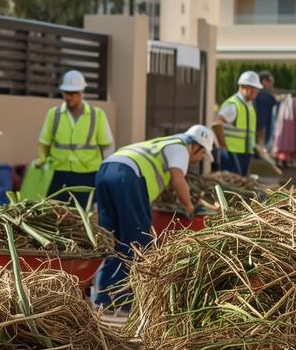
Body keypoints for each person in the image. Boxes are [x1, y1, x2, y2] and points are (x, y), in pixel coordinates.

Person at [92, 125, 215, 311]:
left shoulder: (162, 144)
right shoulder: (181, 147)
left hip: (106, 170)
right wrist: (190, 207)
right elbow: (178, 180)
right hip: (128, 176)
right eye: (202, 156)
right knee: (138, 239)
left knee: (112, 238)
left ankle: (103, 295)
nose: (198, 160)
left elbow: (167, 181)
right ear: (197, 146)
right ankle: (126, 299)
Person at [36, 69, 113, 205]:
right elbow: (44, 144)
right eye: (66, 93)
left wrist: (106, 173)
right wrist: (42, 161)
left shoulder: (97, 115)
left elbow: (107, 147)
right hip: (59, 174)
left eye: (73, 93)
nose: (69, 97)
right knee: (56, 216)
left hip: (88, 175)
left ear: (82, 92)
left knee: (85, 216)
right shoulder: (53, 114)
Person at [215, 71, 260, 175]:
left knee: (241, 183)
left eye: (257, 89)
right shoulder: (234, 105)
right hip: (232, 153)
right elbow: (217, 124)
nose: (256, 91)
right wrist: (223, 147)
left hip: (245, 152)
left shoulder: (249, 105)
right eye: (253, 88)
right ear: (244, 87)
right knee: (231, 184)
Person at [253, 70, 279, 153]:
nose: (272, 85)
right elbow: (261, 124)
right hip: (260, 136)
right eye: (270, 82)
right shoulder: (265, 97)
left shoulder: (255, 94)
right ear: (264, 81)